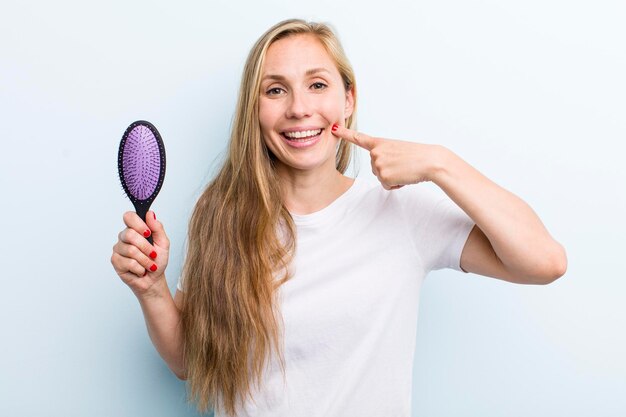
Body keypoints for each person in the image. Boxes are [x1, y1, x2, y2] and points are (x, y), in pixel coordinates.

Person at [110, 18, 567, 417]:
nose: (298, 108)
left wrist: (440, 163)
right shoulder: (218, 214)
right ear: (255, 109)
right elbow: (191, 362)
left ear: (347, 99)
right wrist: (152, 290)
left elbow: (545, 261)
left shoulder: (401, 212)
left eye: (318, 84)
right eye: (275, 90)